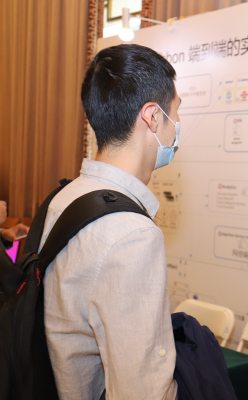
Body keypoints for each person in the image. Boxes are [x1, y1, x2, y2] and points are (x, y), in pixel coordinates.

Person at [41, 44, 180, 400]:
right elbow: (142, 388)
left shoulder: (63, 198)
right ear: (153, 117)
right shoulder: (132, 233)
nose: (177, 127)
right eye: (175, 112)